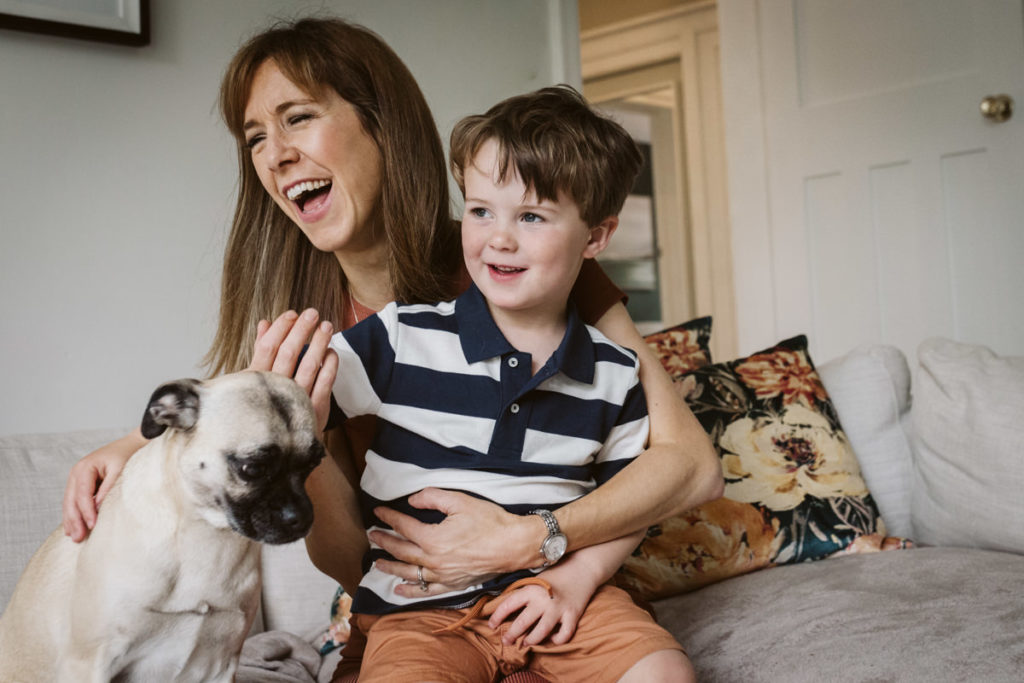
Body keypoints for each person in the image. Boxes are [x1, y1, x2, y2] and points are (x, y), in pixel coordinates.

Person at [60, 15, 722, 674]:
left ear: (381, 125)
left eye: (297, 118)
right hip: (419, 612)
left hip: (551, 596)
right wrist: (135, 443)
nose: (274, 154)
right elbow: (349, 560)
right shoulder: (331, 339)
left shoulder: (529, 265)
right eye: (255, 137)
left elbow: (690, 464)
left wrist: (534, 540)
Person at [324, 84, 693, 682]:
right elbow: (295, 401)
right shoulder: (401, 336)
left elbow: (628, 505)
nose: (499, 237)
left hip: (554, 596)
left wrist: (576, 580)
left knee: (664, 672)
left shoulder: (614, 372)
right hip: (417, 611)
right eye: (480, 211)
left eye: (531, 216)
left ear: (595, 238)